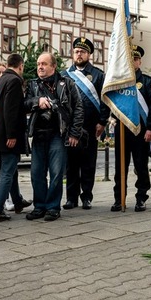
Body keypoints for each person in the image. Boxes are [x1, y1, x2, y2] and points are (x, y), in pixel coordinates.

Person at [25, 52, 83, 222]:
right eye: (38, 64)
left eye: (44, 64)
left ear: (53, 66)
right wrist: (37, 101)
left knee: (56, 173)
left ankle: (53, 207)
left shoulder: (67, 83)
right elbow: (25, 104)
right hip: (38, 134)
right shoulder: (33, 84)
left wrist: (74, 133)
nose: (40, 67)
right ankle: (39, 206)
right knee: (36, 173)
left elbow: (78, 108)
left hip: (58, 134)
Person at [111, 45, 151, 212]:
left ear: (139, 61)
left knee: (141, 166)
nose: (131, 62)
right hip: (122, 130)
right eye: (128, 59)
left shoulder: (147, 82)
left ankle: (141, 198)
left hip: (141, 131)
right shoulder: (119, 83)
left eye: (135, 59)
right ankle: (119, 198)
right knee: (120, 166)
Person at [62, 37, 109, 210]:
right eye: (76, 51)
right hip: (70, 128)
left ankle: (86, 197)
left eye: (82, 51)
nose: (79, 54)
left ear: (89, 54)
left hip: (90, 126)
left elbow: (105, 100)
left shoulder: (98, 75)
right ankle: (71, 198)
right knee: (71, 164)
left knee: (88, 163)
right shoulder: (65, 74)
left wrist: (102, 121)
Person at [0, 53, 29, 223]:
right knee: (7, 171)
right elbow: (10, 110)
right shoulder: (14, 81)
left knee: (11, 171)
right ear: (20, 66)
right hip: (8, 135)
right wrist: (12, 135)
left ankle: (18, 201)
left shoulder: (0, 81)